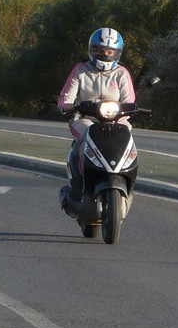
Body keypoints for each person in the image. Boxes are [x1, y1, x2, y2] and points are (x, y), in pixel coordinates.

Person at [58, 27, 135, 202]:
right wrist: (70, 106)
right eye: (101, 50)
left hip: (116, 119)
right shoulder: (81, 69)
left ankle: (126, 176)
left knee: (127, 133)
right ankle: (81, 181)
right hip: (86, 119)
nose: (106, 54)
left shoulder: (122, 73)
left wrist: (129, 110)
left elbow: (129, 100)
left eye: (110, 51)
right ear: (93, 49)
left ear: (118, 53)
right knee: (87, 133)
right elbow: (65, 98)